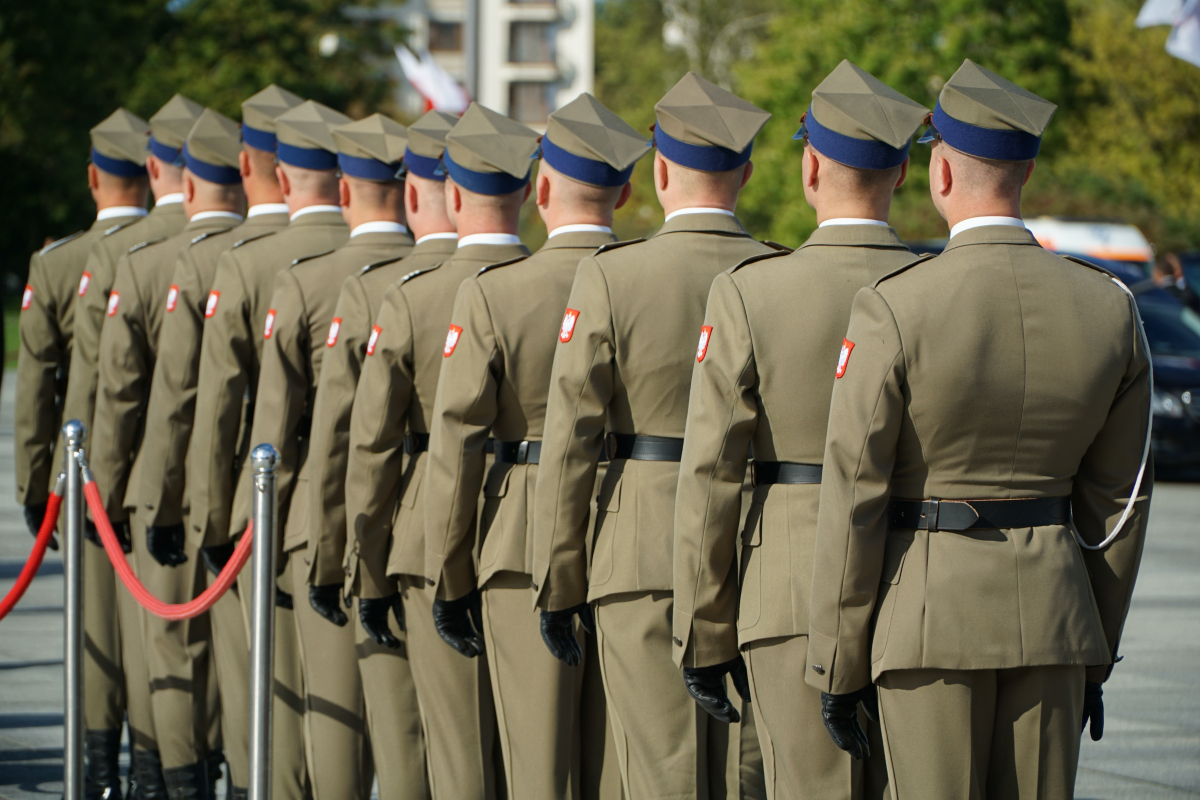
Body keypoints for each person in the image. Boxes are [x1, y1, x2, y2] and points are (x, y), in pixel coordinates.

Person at [806, 59, 1152, 799]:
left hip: (929, 623)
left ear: (939, 170)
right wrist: (1094, 649)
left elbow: (854, 495)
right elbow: (1120, 507)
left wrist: (838, 661)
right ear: (1026, 168)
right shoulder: (1110, 307)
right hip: (1059, 621)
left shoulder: (896, 305)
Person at [671, 61, 929, 800]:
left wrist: (702, 628)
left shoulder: (754, 290)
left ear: (809, 167)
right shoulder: (932, 284)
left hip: (786, 585)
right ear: (905, 171)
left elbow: (712, 474)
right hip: (916, 576)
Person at [531, 72, 773, 799]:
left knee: (657, 772)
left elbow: (570, 441)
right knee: (743, 772)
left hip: (636, 549)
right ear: (749, 173)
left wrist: (558, 578)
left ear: (659, 172)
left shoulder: (614, 277)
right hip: (749, 541)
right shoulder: (777, 268)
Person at [423, 93, 646, 800]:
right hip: (631, 531)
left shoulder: (496, 294)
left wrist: (447, 571)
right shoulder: (653, 279)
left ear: (541, 188)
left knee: (537, 769)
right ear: (628, 190)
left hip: (519, 540)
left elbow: (456, 444)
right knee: (620, 766)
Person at [344, 101, 534, 800]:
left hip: (427, 532)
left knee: (452, 753)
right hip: (535, 530)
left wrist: (366, 568)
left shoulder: (410, 298)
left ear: (451, 194)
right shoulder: (568, 284)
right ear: (527, 191)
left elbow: (369, 451)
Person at [246, 112, 421, 800]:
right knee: (416, 734)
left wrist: (311, 541)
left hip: (325, 521)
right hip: (431, 523)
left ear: (345, 190)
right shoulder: (445, 272)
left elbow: (285, 434)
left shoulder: (309, 281)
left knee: (333, 734)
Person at [132, 90, 298, 798]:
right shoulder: (339, 251)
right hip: (311, 488)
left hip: (231, 485)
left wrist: (185, 506)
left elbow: (184, 400)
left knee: (204, 652)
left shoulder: (209, 260)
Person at [187, 98, 351, 800]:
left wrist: (212, 518)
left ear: (274, 173)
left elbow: (220, 407)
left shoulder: (249, 263)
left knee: (277, 691)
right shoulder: (397, 258)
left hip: (275, 502)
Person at [90, 100, 245, 798]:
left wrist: (107, 484)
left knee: (171, 649)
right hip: (251, 484)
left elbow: (124, 392)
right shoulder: (262, 255)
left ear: (161, 168)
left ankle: (168, 777)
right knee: (241, 657)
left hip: (164, 479)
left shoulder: (145, 260)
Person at [305, 109, 460, 800]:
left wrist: (346, 560)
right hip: (510, 544)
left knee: (404, 744)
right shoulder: (540, 278)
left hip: (402, 540)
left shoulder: (377, 290)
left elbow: (346, 442)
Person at [59, 94, 197, 799]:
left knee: (121, 634)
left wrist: (73, 486)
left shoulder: (121, 258)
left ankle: (119, 769)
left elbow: (96, 386)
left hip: (130, 477)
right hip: (234, 484)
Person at [15, 106, 150, 799]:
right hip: (163, 472)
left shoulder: (59, 261)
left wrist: (36, 484)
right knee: (158, 626)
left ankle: (99, 769)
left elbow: (38, 383)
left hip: (90, 472)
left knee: (98, 628)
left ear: (94, 177)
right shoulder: (173, 250)